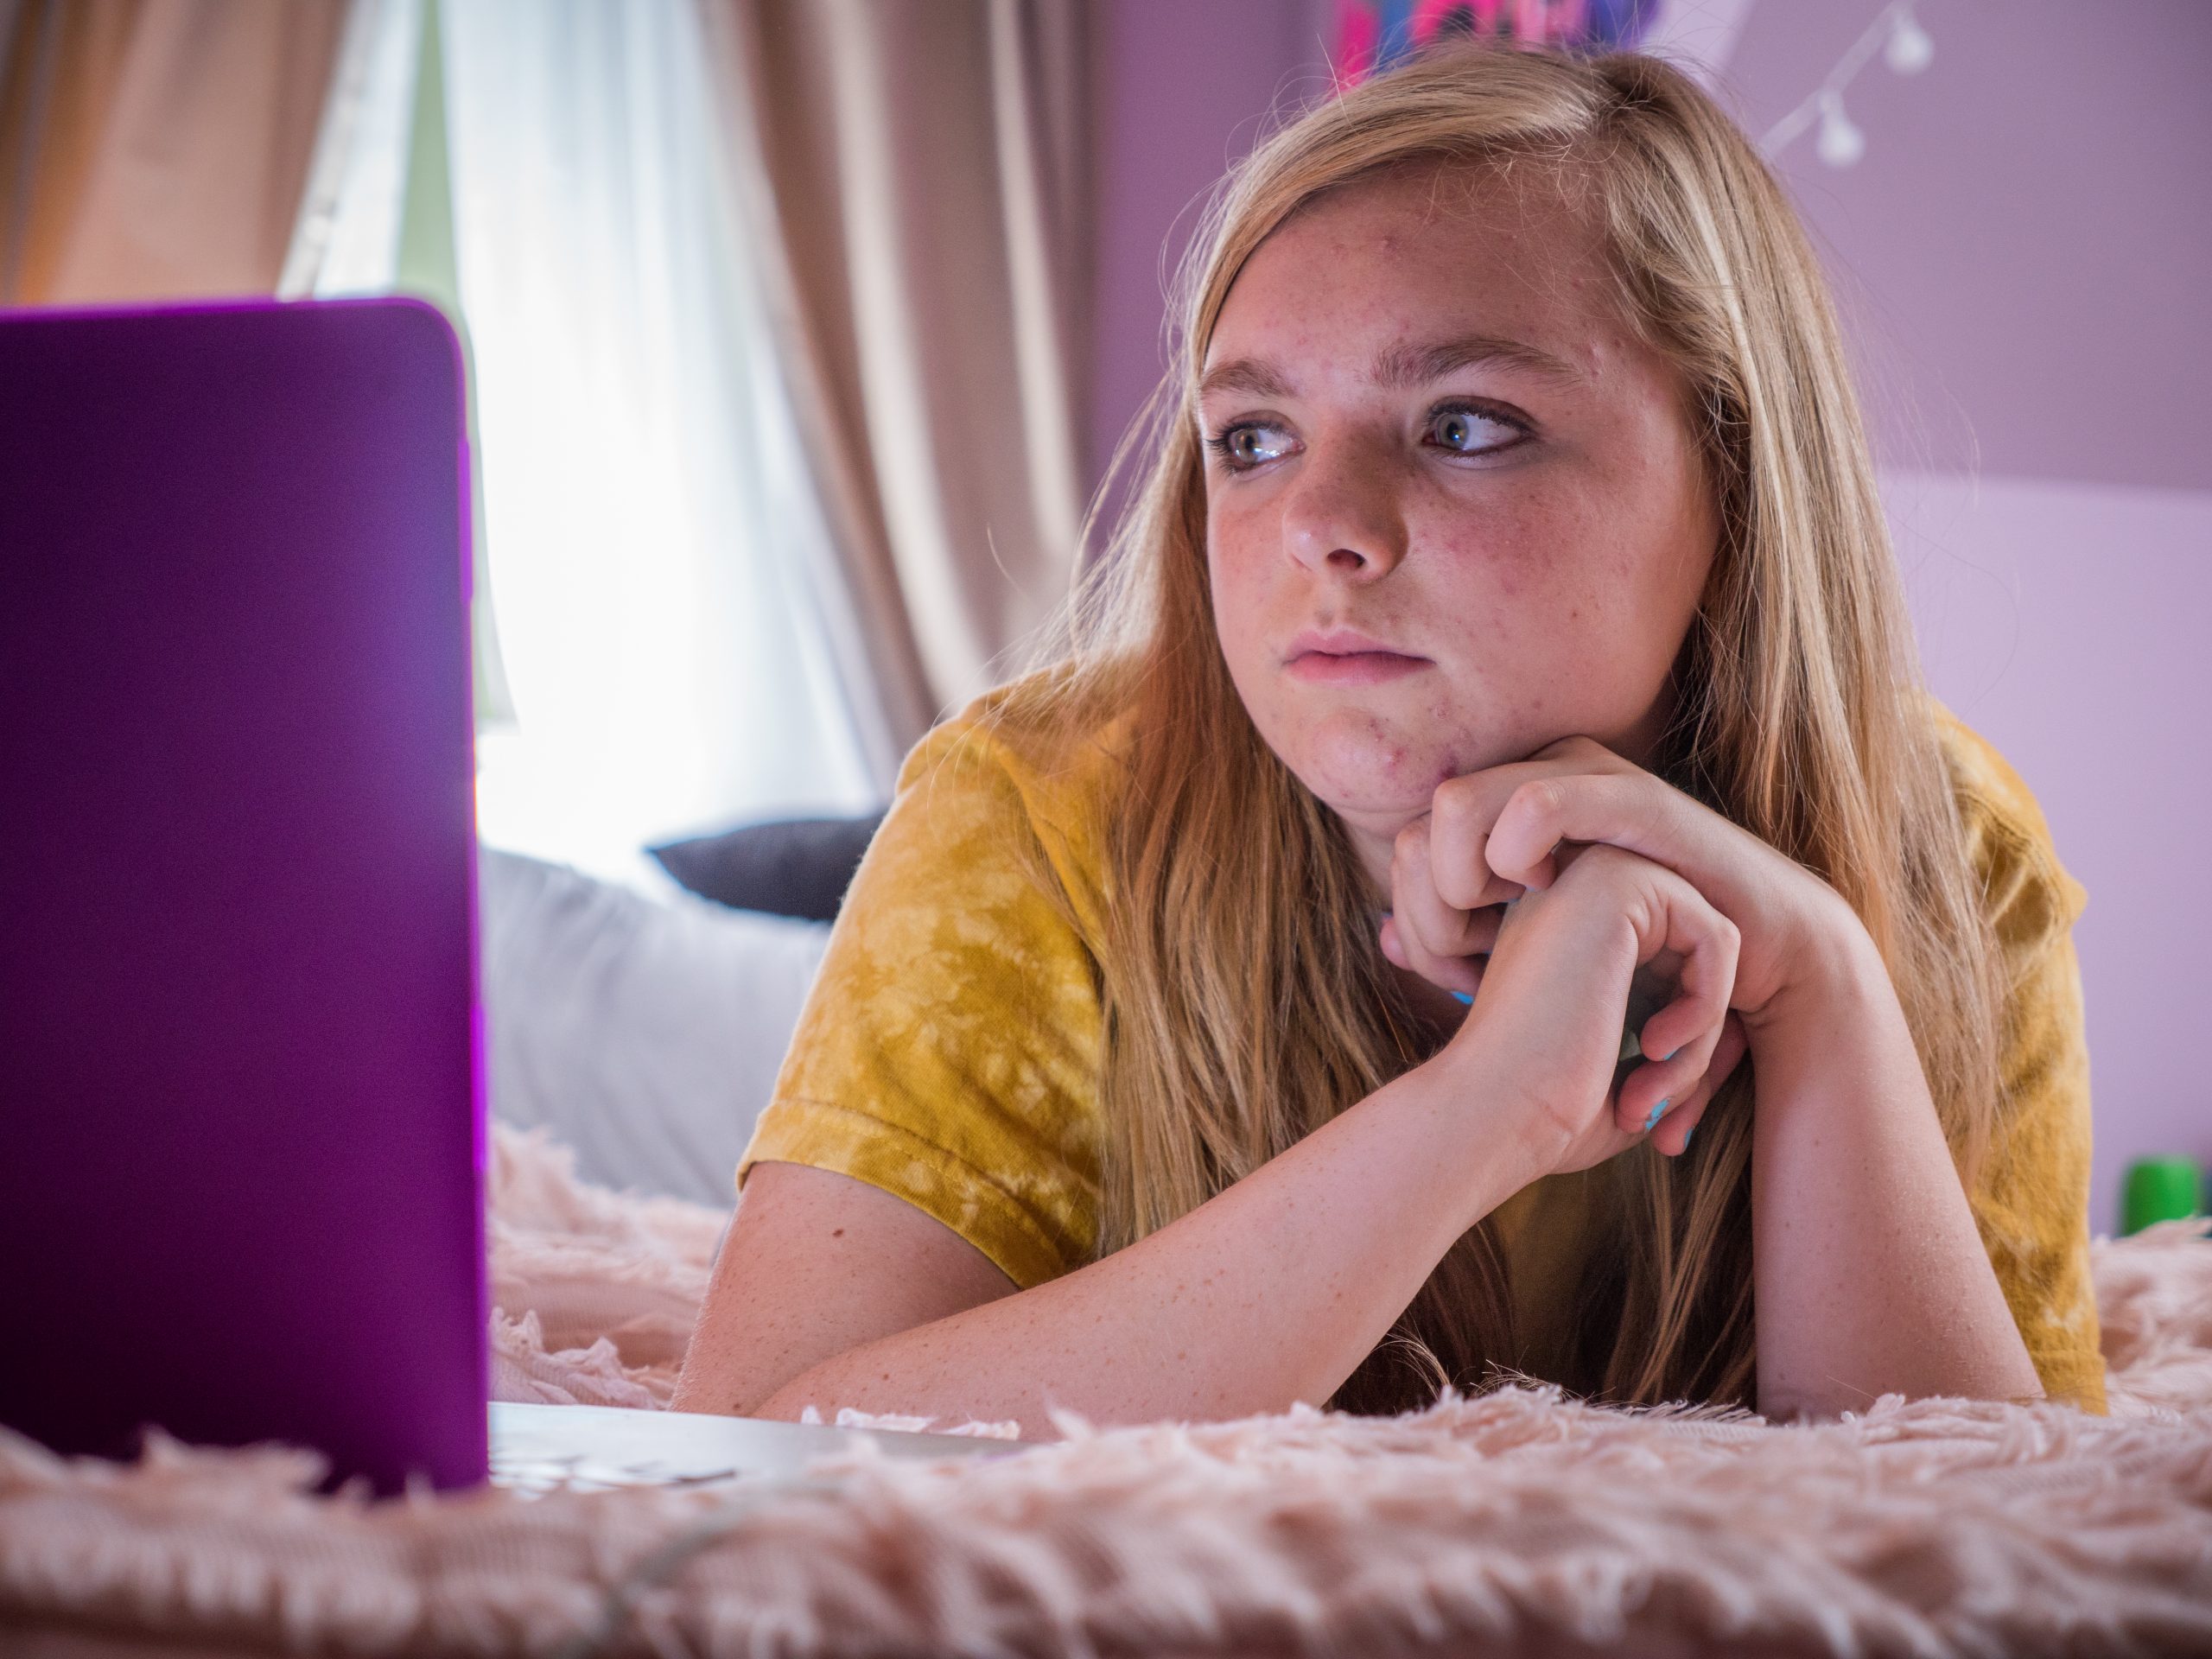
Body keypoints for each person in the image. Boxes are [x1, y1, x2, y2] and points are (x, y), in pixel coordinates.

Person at [670, 42, 2103, 1433]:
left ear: (1731, 478)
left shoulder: (1947, 852)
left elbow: (1982, 1548)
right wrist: (1480, 1111)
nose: (1319, 529)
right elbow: (755, 1447)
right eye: (1252, 437)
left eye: (1467, 425)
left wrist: (1828, 991)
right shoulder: (1036, 811)